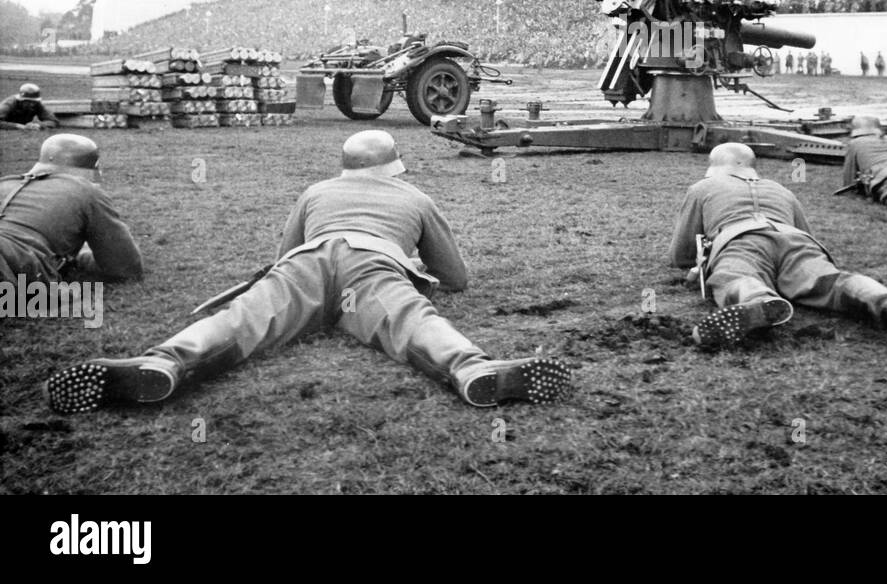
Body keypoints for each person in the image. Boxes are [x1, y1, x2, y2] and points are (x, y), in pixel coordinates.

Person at [45, 130, 572, 414]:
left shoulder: (316, 192)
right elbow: (455, 278)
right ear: (393, 164)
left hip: (308, 263)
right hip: (374, 266)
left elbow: (282, 258)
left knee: (243, 317)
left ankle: (164, 363)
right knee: (410, 320)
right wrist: (411, 262)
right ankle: (471, 370)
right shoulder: (414, 196)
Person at [667, 142, 887, 351]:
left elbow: (680, 255)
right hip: (796, 242)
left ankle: (757, 300)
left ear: (717, 168)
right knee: (836, 282)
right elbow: (805, 234)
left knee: (736, 276)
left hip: (739, 240)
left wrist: (700, 263)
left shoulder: (704, 187)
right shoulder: (781, 190)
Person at [0, 134, 143, 285]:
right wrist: (81, 256)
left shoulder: (4, 183)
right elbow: (125, 267)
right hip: (12, 259)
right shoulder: (86, 191)